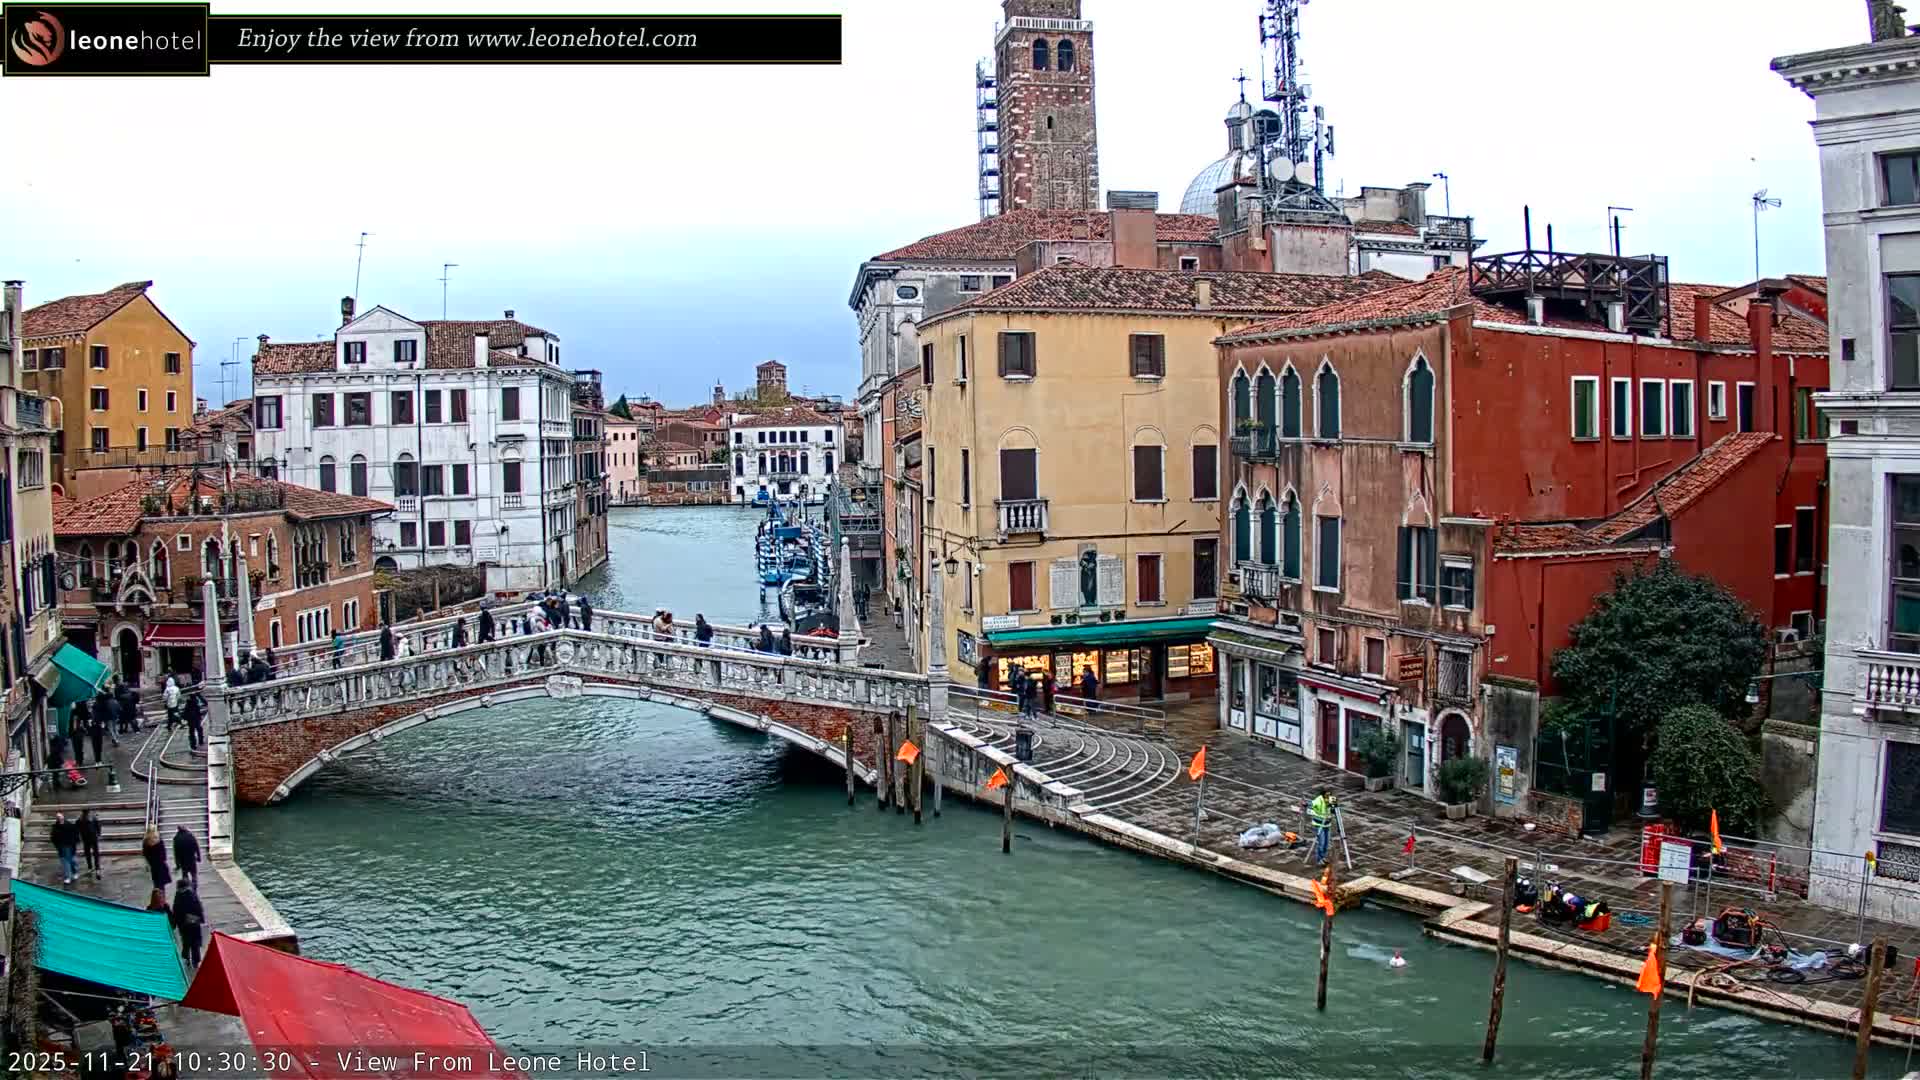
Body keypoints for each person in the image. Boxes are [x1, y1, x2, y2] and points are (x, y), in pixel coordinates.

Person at [171, 883, 206, 967]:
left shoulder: (178, 896)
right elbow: (199, 908)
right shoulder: (193, 894)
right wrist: (201, 919)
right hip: (194, 923)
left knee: (186, 942)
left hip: (183, 924)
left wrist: (174, 924)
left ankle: (187, 958)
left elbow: (175, 911)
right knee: (195, 943)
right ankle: (196, 961)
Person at [50, 812, 79, 886]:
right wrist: (57, 845)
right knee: (65, 862)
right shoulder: (55, 827)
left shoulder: (70, 825)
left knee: (72, 861)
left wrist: (74, 845)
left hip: (70, 846)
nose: (59, 818)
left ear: (63, 817)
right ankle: (67, 877)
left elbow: (75, 836)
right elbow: (53, 837)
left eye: (60, 817)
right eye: (57, 817)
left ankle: (75, 872)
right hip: (61, 847)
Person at [1308, 790, 1334, 867]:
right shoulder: (1318, 800)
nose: (1328, 797)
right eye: (1326, 795)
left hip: (1327, 824)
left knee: (1326, 843)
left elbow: (1333, 809)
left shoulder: (1331, 800)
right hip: (1319, 824)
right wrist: (1306, 804)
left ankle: (1323, 857)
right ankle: (1319, 859)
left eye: (1329, 795)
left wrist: (1333, 808)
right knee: (1321, 842)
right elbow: (1311, 805)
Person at [78, 809, 102, 879]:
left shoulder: (94, 819)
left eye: (88, 813)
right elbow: (77, 828)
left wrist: (99, 834)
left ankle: (97, 868)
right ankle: (90, 867)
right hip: (86, 839)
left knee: (96, 854)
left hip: (93, 839)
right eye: (86, 813)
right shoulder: (80, 820)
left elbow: (98, 826)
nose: (87, 815)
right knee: (87, 854)